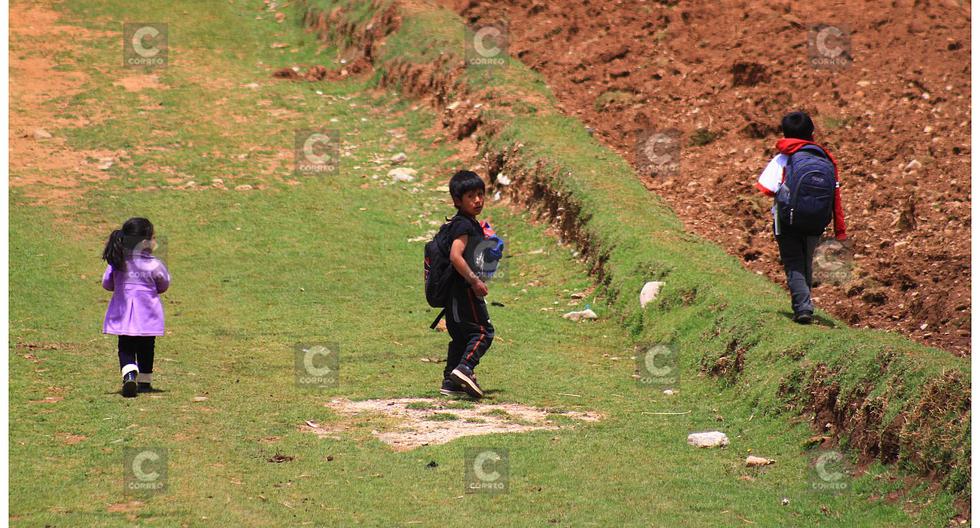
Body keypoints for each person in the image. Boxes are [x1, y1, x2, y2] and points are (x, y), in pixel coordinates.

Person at [755, 111, 847, 324]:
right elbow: (835, 195)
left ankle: (803, 308)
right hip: (817, 220)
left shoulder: (783, 158)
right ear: (812, 132)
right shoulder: (825, 159)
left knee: (793, 261)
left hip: (787, 220)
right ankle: (805, 302)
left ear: (785, 133)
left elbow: (766, 188)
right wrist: (840, 229)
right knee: (806, 260)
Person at [440, 170, 495, 398]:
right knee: (483, 332)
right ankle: (465, 368)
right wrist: (474, 281)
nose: (478, 200)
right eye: (471, 196)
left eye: (480, 194)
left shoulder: (461, 223)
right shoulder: (464, 226)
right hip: (464, 290)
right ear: (457, 200)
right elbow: (456, 256)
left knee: (461, 337)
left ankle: (450, 382)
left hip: (452, 292)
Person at [101, 217, 170, 397]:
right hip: (147, 314)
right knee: (147, 346)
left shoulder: (117, 262)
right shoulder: (153, 264)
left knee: (126, 346)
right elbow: (163, 284)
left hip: (123, 313)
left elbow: (107, 283)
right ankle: (145, 382)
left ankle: (129, 374)